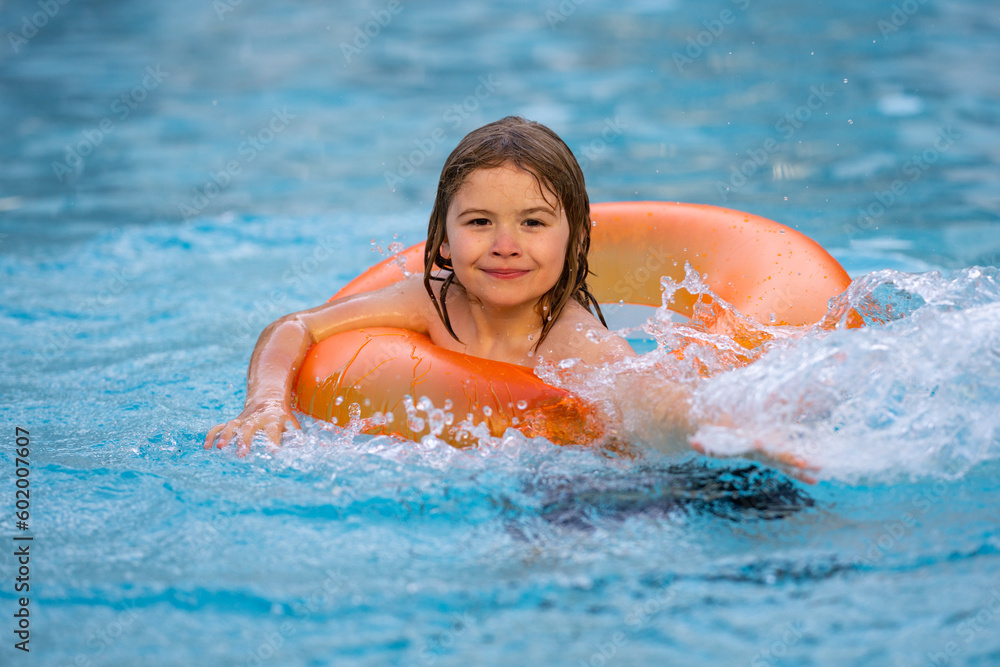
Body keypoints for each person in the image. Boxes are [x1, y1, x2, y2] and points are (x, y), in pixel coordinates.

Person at [205, 116, 642, 455]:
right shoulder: (431, 301)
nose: (505, 246)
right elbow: (296, 326)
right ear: (444, 240)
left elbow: (644, 410)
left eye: (532, 222)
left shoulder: (580, 346)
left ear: (577, 237)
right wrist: (265, 402)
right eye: (479, 222)